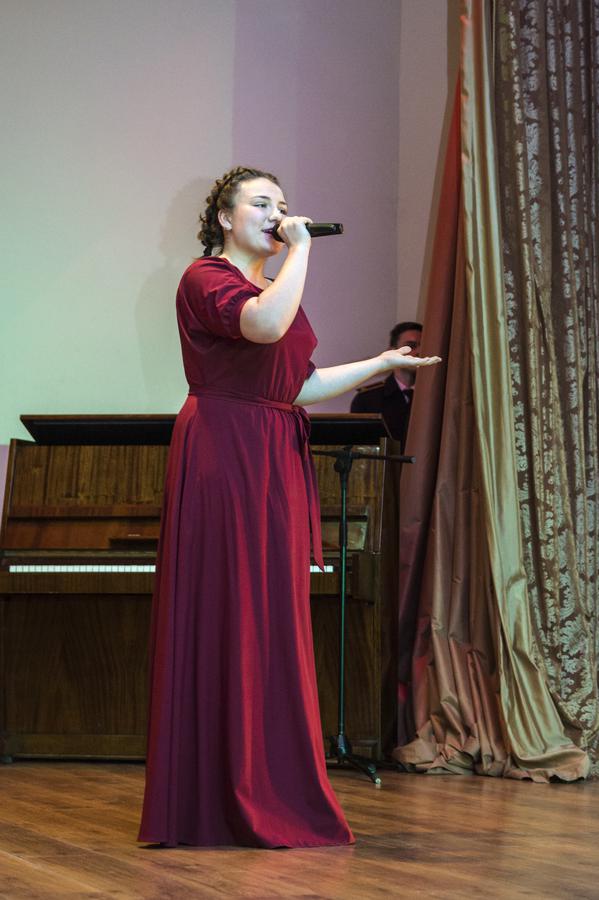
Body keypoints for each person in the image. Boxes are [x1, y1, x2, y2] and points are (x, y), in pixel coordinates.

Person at [138, 166, 440, 848]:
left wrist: (380, 362)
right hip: (226, 447)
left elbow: (297, 386)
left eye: (283, 204)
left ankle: (263, 779)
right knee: (232, 607)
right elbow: (265, 326)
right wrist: (301, 248)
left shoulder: (271, 286)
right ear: (224, 218)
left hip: (271, 448)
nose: (278, 214)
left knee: (267, 614)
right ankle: (215, 793)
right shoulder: (207, 277)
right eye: (262, 203)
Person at [350, 322, 423, 449]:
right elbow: (361, 448)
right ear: (392, 352)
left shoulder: (437, 397)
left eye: (424, 346)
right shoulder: (367, 399)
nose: (419, 352)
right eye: (411, 346)